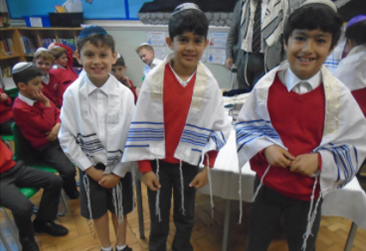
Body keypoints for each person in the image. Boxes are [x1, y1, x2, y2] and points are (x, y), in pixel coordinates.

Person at [235, 1, 366, 250]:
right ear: (285, 42)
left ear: (330, 47)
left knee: (304, 244)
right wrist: (266, 148)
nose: (307, 49)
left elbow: (355, 144)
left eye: (320, 40)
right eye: (300, 38)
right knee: (256, 242)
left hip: (307, 193)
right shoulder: (266, 86)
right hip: (267, 186)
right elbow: (245, 126)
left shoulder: (339, 96)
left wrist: (319, 161)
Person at [122, 3, 231, 251]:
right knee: (158, 216)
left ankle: (182, 246)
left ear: (206, 43)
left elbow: (218, 127)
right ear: (170, 42)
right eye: (183, 40)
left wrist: (208, 166)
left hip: (189, 164)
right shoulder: (154, 79)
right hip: (158, 164)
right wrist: (145, 168)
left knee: (186, 214)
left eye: (197, 40)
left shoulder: (209, 84)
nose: (190, 47)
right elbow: (140, 124)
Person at [58, 25, 135, 251]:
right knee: (98, 211)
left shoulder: (125, 94)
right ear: (79, 57)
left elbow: (133, 136)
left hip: (119, 167)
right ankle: (105, 247)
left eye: (103, 55)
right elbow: (67, 138)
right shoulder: (72, 94)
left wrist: (119, 171)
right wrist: (90, 170)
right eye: (89, 55)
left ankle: (121, 246)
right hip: (91, 167)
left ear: (114, 57)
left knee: (119, 208)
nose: (97, 61)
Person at [11, 62, 79, 199]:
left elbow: (61, 112)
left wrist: (58, 126)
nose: (41, 86)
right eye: (36, 83)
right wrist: (47, 105)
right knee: (68, 170)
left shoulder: (38, 96)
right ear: (22, 86)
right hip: (44, 147)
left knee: (87, 150)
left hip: (59, 135)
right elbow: (46, 125)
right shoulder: (20, 108)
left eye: (40, 82)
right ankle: (72, 194)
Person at [0, 139, 68, 251]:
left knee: (54, 181)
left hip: (13, 168)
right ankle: (27, 240)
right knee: (23, 207)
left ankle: (43, 221)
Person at [333, 15, 366, 166]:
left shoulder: (346, 67)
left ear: (349, 42)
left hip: (348, 124)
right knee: (361, 162)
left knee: (345, 164)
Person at [225, 0, 304, 90]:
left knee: (261, 96)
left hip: (267, 61)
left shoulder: (281, 5)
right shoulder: (243, 4)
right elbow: (233, 32)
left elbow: (286, 36)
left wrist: (284, 60)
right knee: (243, 97)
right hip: (244, 59)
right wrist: (229, 55)